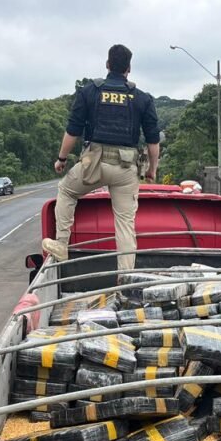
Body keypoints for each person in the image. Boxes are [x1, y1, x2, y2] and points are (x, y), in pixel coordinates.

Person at [42, 44, 160, 271]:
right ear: (129, 68)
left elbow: (73, 131)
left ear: (107, 65)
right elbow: (153, 142)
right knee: (125, 224)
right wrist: (152, 170)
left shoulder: (90, 91)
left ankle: (62, 245)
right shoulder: (142, 99)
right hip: (126, 167)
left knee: (66, 191)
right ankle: (125, 276)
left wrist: (62, 159)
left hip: (93, 164)